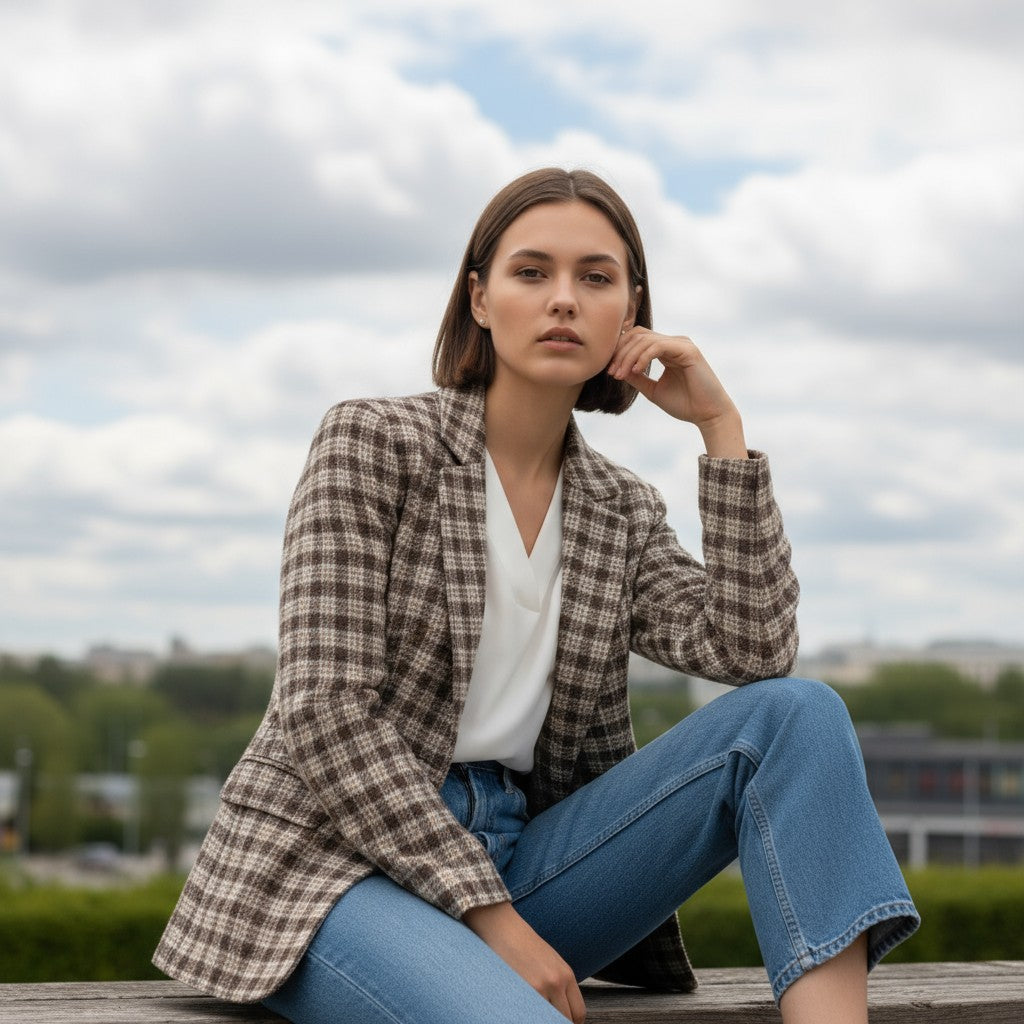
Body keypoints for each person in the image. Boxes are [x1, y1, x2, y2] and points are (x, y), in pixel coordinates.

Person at [153, 168, 919, 1023]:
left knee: (797, 716)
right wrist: (490, 920)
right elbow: (325, 711)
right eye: (531, 272)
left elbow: (751, 653)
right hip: (336, 867)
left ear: (630, 314)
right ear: (479, 299)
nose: (564, 299)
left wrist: (721, 430)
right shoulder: (372, 442)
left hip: (524, 858)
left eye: (596, 278)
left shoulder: (618, 506)